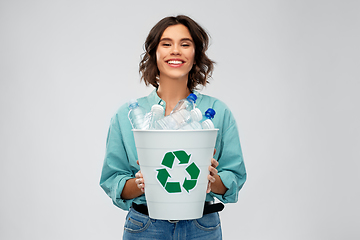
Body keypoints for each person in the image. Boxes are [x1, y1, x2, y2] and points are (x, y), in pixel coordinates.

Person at [100, 15, 246, 240]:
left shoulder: (219, 111)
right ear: (154, 54)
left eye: (185, 44)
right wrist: (140, 183)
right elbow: (113, 180)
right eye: (166, 44)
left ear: (195, 54)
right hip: (146, 227)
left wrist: (211, 180)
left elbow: (234, 177)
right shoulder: (125, 116)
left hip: (201, 227)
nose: (175, 50)